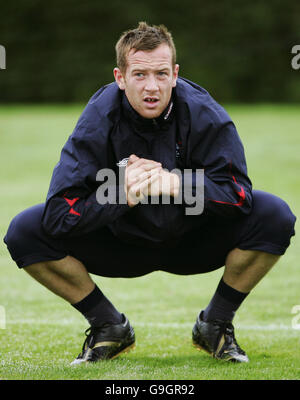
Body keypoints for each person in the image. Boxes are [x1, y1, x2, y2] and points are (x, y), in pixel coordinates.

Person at [4, 22, 296, 364]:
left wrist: (176, 184)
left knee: (275, 216)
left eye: (160, 73)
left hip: (194, 241)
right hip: (120, 244)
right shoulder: (98, 118)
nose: (152, 86)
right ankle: (107, 326)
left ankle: (215, 324)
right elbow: (58, 213)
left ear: (174, 74)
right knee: (24, 232)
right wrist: (119, 194)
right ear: (120, 77)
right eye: (140, 75)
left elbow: (239, 195)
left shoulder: (204, 112)